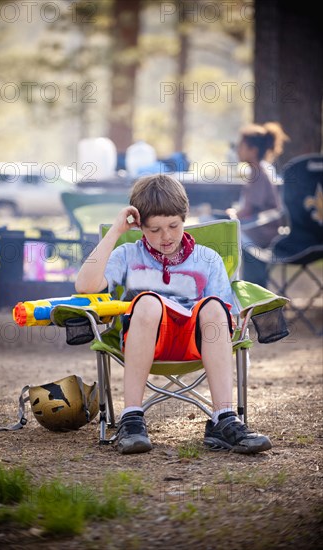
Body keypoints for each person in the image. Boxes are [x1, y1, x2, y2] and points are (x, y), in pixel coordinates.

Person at [75, 174, 272, 455]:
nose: (165, 237)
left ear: (185, 217)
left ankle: (224, 419)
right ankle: (131, 418)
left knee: (216, 307)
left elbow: (226, 318)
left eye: (173, 226)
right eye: (154, 229)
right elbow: (85, 286)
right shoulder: (128, 254)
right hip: (145, 340)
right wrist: (116, 231)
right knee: (147, 304)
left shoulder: (207, 259)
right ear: (139, 225)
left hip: (194, 343)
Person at [227, 122, 290, 286]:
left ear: (253, 150)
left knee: (227, 235)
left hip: (263, 233)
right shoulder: (258, 171)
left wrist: (232, 215)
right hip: (258, 228)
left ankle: (249, 288)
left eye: (241, 145)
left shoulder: (258, 173)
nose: (238, 150)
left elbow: (249, 209)